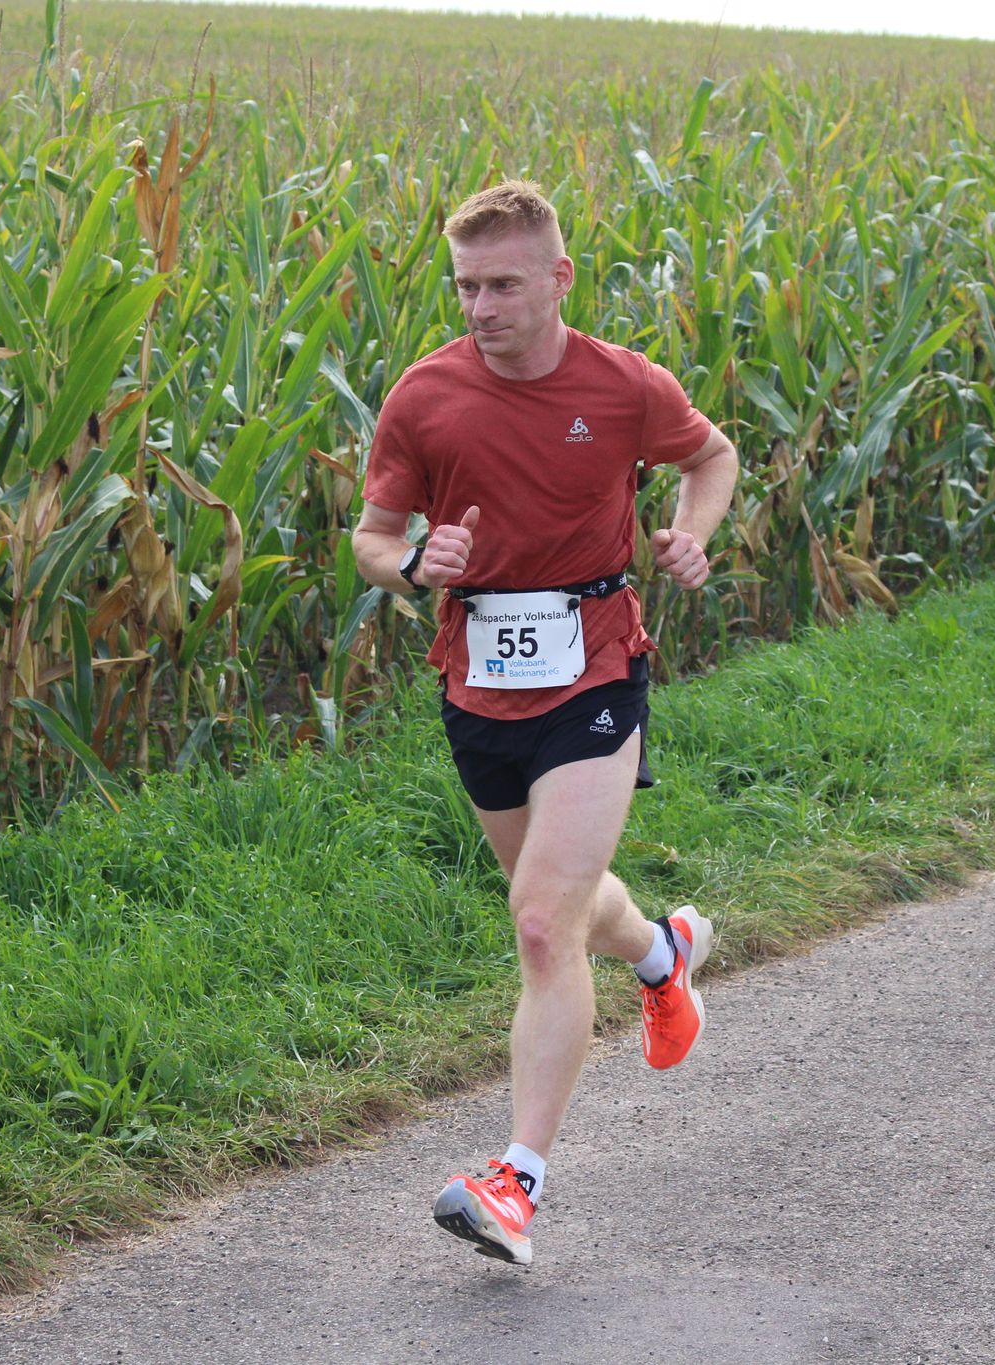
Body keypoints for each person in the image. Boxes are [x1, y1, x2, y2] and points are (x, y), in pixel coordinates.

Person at [352, 180, 740, 1266]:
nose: (481, 307)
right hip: (476, 681)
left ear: (558, 279)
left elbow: (710, 456)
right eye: (465, 287)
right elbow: (371, 537)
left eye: (504, 286)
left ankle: (514, 1183)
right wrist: (410, 565)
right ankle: (661, 952)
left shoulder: (622, 385)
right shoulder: (425, 396)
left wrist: (691, 533)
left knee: (536, 924)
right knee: (558, 905)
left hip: (596, 667)